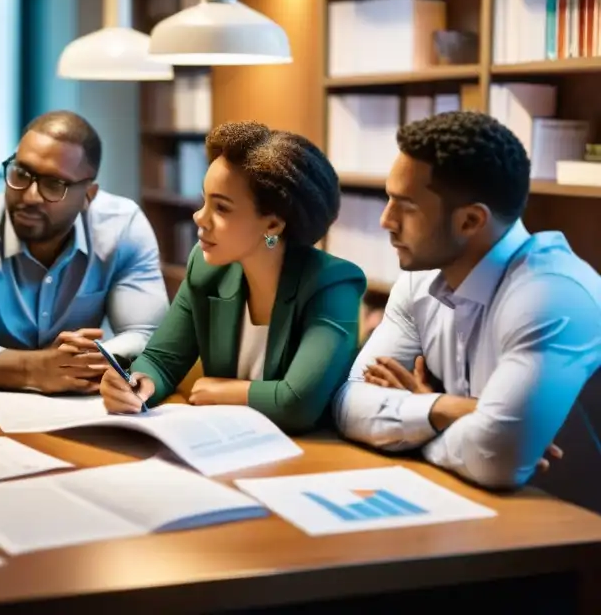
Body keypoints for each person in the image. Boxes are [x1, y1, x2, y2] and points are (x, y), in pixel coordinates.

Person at [333, 111, 601, 489]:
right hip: (480, 504)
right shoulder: (420, 279)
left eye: (406, 206)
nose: (386, 221)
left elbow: (495, 458)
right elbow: (347, 405)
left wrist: (417, 421)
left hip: (573, 525)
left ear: (471, 221)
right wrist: (448, 408)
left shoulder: (553, 297)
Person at [100, 122, 366, 433]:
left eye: (221, 208)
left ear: (273, 225)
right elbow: (161, 361)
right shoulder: (207, 268)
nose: (200, 217)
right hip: (228, 444)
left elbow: (298, 403)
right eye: (204, 200)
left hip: (310, 456)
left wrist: (222, 391)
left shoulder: (334, 285)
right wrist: (137, 384)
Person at [0, 110, 168, 393]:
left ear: (88, 195)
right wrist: (37, 368)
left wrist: (85, 359)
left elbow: (149, 334)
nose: (29, 196)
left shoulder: (122, 228)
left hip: (80, 406)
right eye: (21, 173)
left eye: (54, 184)